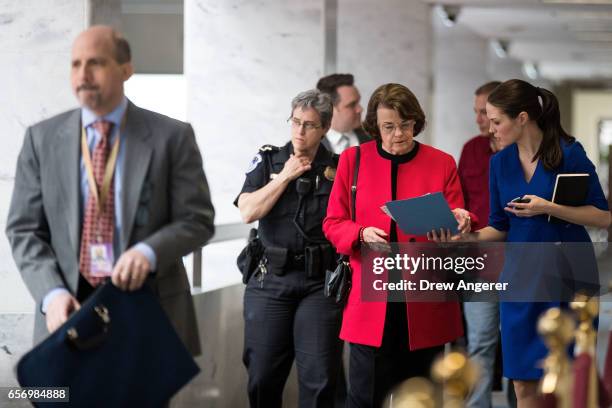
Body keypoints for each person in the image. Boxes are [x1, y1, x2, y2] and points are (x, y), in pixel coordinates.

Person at [6, 26, 215, 356]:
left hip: (148, 307)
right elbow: (24, 229)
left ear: (126, 69)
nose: (83, 74)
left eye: (96, 63)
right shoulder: (41, 139)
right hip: (67, 312)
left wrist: (148, 252)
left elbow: (197, 220)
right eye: (75, 64)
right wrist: (51, 294)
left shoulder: (172, 137)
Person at [456, 79, 610, 407]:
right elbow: (499, 226)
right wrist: (466, 237)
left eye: (497, 121)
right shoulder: (498, 163)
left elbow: (603, 216)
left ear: (522, 118)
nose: (491, 129)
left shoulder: (570, 154)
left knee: (567, 380)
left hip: (570, 275)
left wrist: (550, 207)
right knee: (523, 382)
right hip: (521, 278)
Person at [323, 83, 473, 408]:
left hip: (425, 301)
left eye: (405, 125)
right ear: (375, 126)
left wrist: (458, 223)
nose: (399, 134)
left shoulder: (442, 162)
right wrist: (360, 233)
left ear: (416, 123)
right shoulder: (353, 160)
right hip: (370, 300)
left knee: (424, 396)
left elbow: (457, 222)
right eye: (389, 127)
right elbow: (332, 223)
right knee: (366, 397)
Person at [235, 89, 343, 407]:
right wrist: (284, 177)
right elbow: (247, 212)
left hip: (319, 284)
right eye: (295, 122)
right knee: (262, 377)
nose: (299, 131)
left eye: (309, 125)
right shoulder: (268, 159)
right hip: (270, 281)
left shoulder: (339, 169)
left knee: (320, 379)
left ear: (324, 128)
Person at [457, 80, 503, 408]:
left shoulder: (527, 151)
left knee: (521, 344)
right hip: (478, 261)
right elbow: (459, 199)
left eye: (483, 112)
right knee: (480, 343)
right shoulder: (471, 149)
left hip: (523, 259)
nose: (477, 120)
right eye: (475, 112)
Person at [317, 73, 370, 153]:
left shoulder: (374, 139)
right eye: (352, 105)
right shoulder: (309, 146)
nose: (360, 109)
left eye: (358, 102)